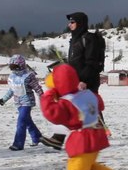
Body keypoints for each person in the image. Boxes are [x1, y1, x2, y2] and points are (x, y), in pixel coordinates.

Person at [40, 64, 114, 170]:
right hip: (96, 136)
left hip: (83, 141)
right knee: (87, 165)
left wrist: (49, 95)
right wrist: (83, 91)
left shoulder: (67, 103)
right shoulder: (87, 94)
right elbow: (100, 104)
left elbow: (51, 113)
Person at [40, 11, 106, 150]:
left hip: (86, 81)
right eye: (69, 22)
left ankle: (61, 138)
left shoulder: (89, 39)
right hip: (74, 81)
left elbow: (92, 63)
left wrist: (85, 81)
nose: (69, 24)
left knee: (80, 108)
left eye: (72, 22)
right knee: (75, 108)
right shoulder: (75, 40)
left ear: (80, 23)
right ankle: (59, 138)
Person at [0, 54, 44, 151]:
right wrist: (3, 99)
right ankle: (37, 137)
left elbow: (37, 88)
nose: (13, 69)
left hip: (27, 102)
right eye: (11, 67)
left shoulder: (29, 76)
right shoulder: (12, 77)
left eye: (15, 67)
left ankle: (18, 144)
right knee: (27, 121)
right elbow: (11, 90)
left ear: (21, 65)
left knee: (21, 122)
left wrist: (44, 98)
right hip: (18, 103)